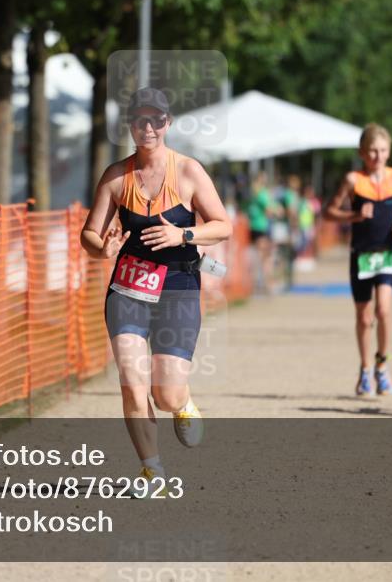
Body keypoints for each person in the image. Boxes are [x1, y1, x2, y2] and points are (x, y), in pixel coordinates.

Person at [81, 87, 232, 490]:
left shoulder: (189, 172)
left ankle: (181, 403)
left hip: (178, 287)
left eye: (156, 120)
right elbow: (89, 234)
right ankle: (152, 471)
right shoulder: (116, 176)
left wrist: (183, 235)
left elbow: (223, 225)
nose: (148, 127)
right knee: (132, 383)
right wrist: (102, 247)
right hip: (128, 288)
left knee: (165, 394)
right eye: (140, 120)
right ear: (129, 124)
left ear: (168, 123)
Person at [325, 123, 392, 396]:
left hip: (386, 253)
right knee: (365, 318)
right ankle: (365, 369)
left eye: (383, 150)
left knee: (383, 311)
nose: (378, 156)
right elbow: (329, 212)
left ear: (389, 151)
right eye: (373, 151)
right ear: (362, 153)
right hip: (361, 255)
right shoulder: (353, 180)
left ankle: (382, 365)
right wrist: (353, 216)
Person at [246, 170, 275, 294]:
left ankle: (258, 283)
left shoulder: (253, 193)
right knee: (265, 257)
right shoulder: (262, 193)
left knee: (258, 256)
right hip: (261, 228)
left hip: (254, 227)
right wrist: (277, 211)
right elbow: (269, 210)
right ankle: (265, 284)